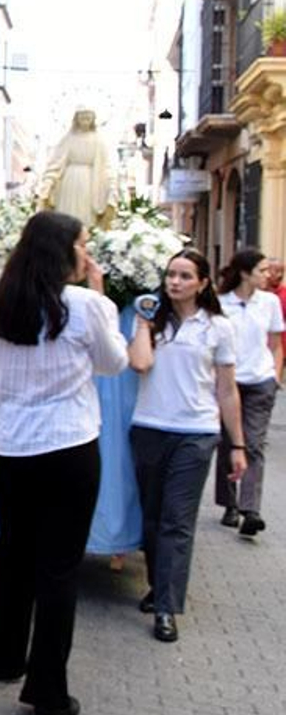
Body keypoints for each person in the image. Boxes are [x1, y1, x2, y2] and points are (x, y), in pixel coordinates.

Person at [0, 210, 126, 715]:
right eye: (83, 244)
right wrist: (103, 295)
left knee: (15, 554)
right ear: (66, 252)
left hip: (11, 446)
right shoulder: (85, 306)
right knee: (59, 567)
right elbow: (113, 363)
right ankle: (48, 691)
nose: (87, 253)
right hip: (68, 444)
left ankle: (1, 656)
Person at [127, 250, 246, 644]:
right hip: (148, 427)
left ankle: (166, 607)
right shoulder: (149, 320)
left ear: (203, 283)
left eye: (184, 276)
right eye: (170, 275)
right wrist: (143, 325)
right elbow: (140, 364)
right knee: (152, 517)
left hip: (195, 433)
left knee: (177, 520)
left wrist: (237, 445)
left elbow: (227, 390)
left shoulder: (218, 328)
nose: (175, 282)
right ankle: (160, 585)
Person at [214, 247, 280, 538]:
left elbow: (277, 341)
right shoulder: (221, 303)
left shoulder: (270, 302)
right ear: (244, 273)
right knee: (229, 443)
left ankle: (250, 510)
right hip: (230, 381)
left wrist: (275, 375)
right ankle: (229, 502)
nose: (268, 275)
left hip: (260, 381)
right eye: (262, 270)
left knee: (253, 444)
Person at [37, 109, 116, 229]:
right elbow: (56, 163)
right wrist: (48, 183)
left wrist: (111, 187)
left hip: (90, 183)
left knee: (86, 217)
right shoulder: (68, 139)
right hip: (69, 181)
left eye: (88, 118)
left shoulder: (99, 141)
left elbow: (105, 167)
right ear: (76, 119)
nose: (85, 122)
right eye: (82, 118)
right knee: (66, 216)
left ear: (93, 120)